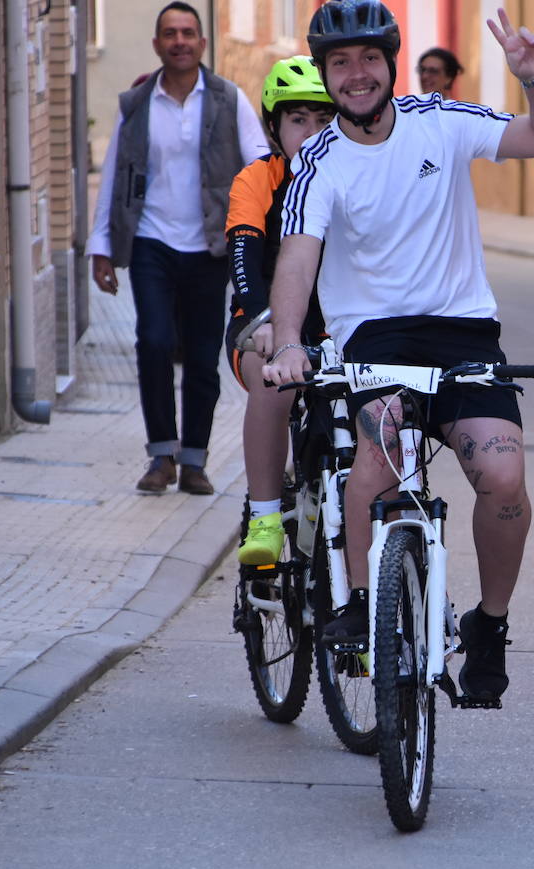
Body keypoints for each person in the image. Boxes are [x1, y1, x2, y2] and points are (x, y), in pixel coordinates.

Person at [262, 0, 534, 701]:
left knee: (505, 479)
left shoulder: (442, 121)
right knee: (375, 461)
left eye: (368, 58)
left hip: (463, 331)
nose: (356, 74)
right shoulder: (319, 162)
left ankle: (489, 626)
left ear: (390, 62)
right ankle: (369, 613)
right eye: (340, 63)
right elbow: (297, 261)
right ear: (325, 72)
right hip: (378, 337)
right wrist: (287, 343)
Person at [89, 2, 268, 494]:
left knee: (204, 356)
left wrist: (260, 238)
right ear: (157, 44)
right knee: (153, 342)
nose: (180, 41)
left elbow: (259, 167)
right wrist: (101, 247)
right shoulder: (136, 104)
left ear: (202, 43)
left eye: (189, 32)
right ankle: (160, 457)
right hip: (151, 242)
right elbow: (114, 179)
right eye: (170, 33)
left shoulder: (230, 100)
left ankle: (194, 461)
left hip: (209, 247)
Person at [224, 57, 335, 564]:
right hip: (262, 320)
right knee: (276, 380)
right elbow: (244, 257)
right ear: (274, 127)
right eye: (298, 120)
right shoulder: (257, 179)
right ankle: (265, 515)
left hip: (339, 327)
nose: (311, 133)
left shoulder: (356, 179)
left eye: (324, 119)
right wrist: (264, 321)